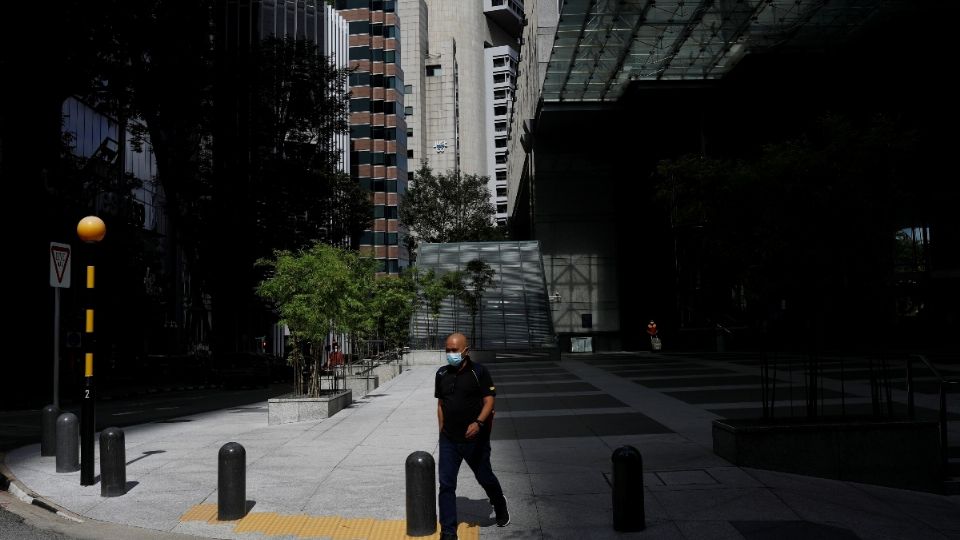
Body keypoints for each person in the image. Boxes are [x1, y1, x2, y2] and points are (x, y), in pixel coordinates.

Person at [435, 332, 509, 539]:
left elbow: (489, 401)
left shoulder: (479, 372)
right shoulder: (441, 374)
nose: (450, 354)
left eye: (454, 350)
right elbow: (440, 404)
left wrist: (478, 423)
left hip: (475, 438)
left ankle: (500, 504)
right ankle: (448, 532)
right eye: (447, 350)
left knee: (484, 476)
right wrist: (441, 430)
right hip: (449, 439)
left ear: (466, 351)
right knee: (446, 485)